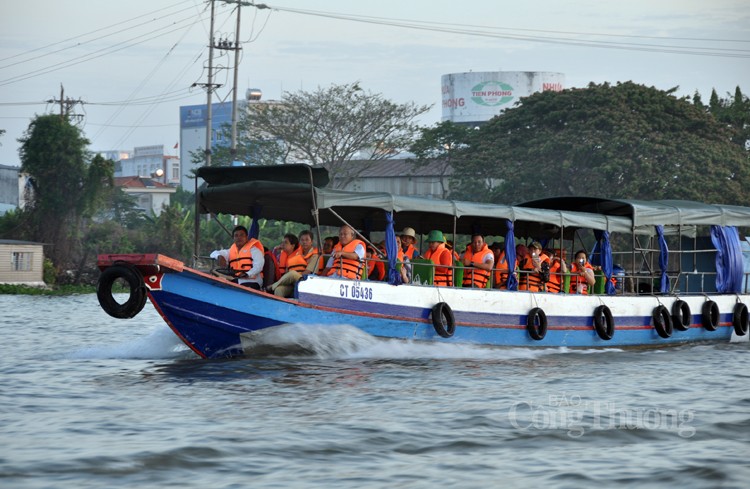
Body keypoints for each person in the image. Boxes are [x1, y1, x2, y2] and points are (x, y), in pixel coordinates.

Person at [266, 230, 321, 297]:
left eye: (307, 240)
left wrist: (293, 277)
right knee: (278, 290)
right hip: (293, 282)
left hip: (306, 281)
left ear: (311, 241)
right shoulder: (296, 253)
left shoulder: (315, 255)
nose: (304, 242)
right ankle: (280, 307)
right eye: (302, 240)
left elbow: (307, 272)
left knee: (293, 273)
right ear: (300, 242)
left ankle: (271, 287)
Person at [210, 225, 265, 290]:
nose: (239, 238)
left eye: (242, 235)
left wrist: (247, 274)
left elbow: (259, 266)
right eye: (236, 236)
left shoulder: (254, 251)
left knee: (234, 286)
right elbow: (213, 253)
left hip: (253, 281)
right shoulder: (230, 251)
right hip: (235, 280)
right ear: (233, 238)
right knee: (217, 283)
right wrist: (219, 256)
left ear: (247, 237)